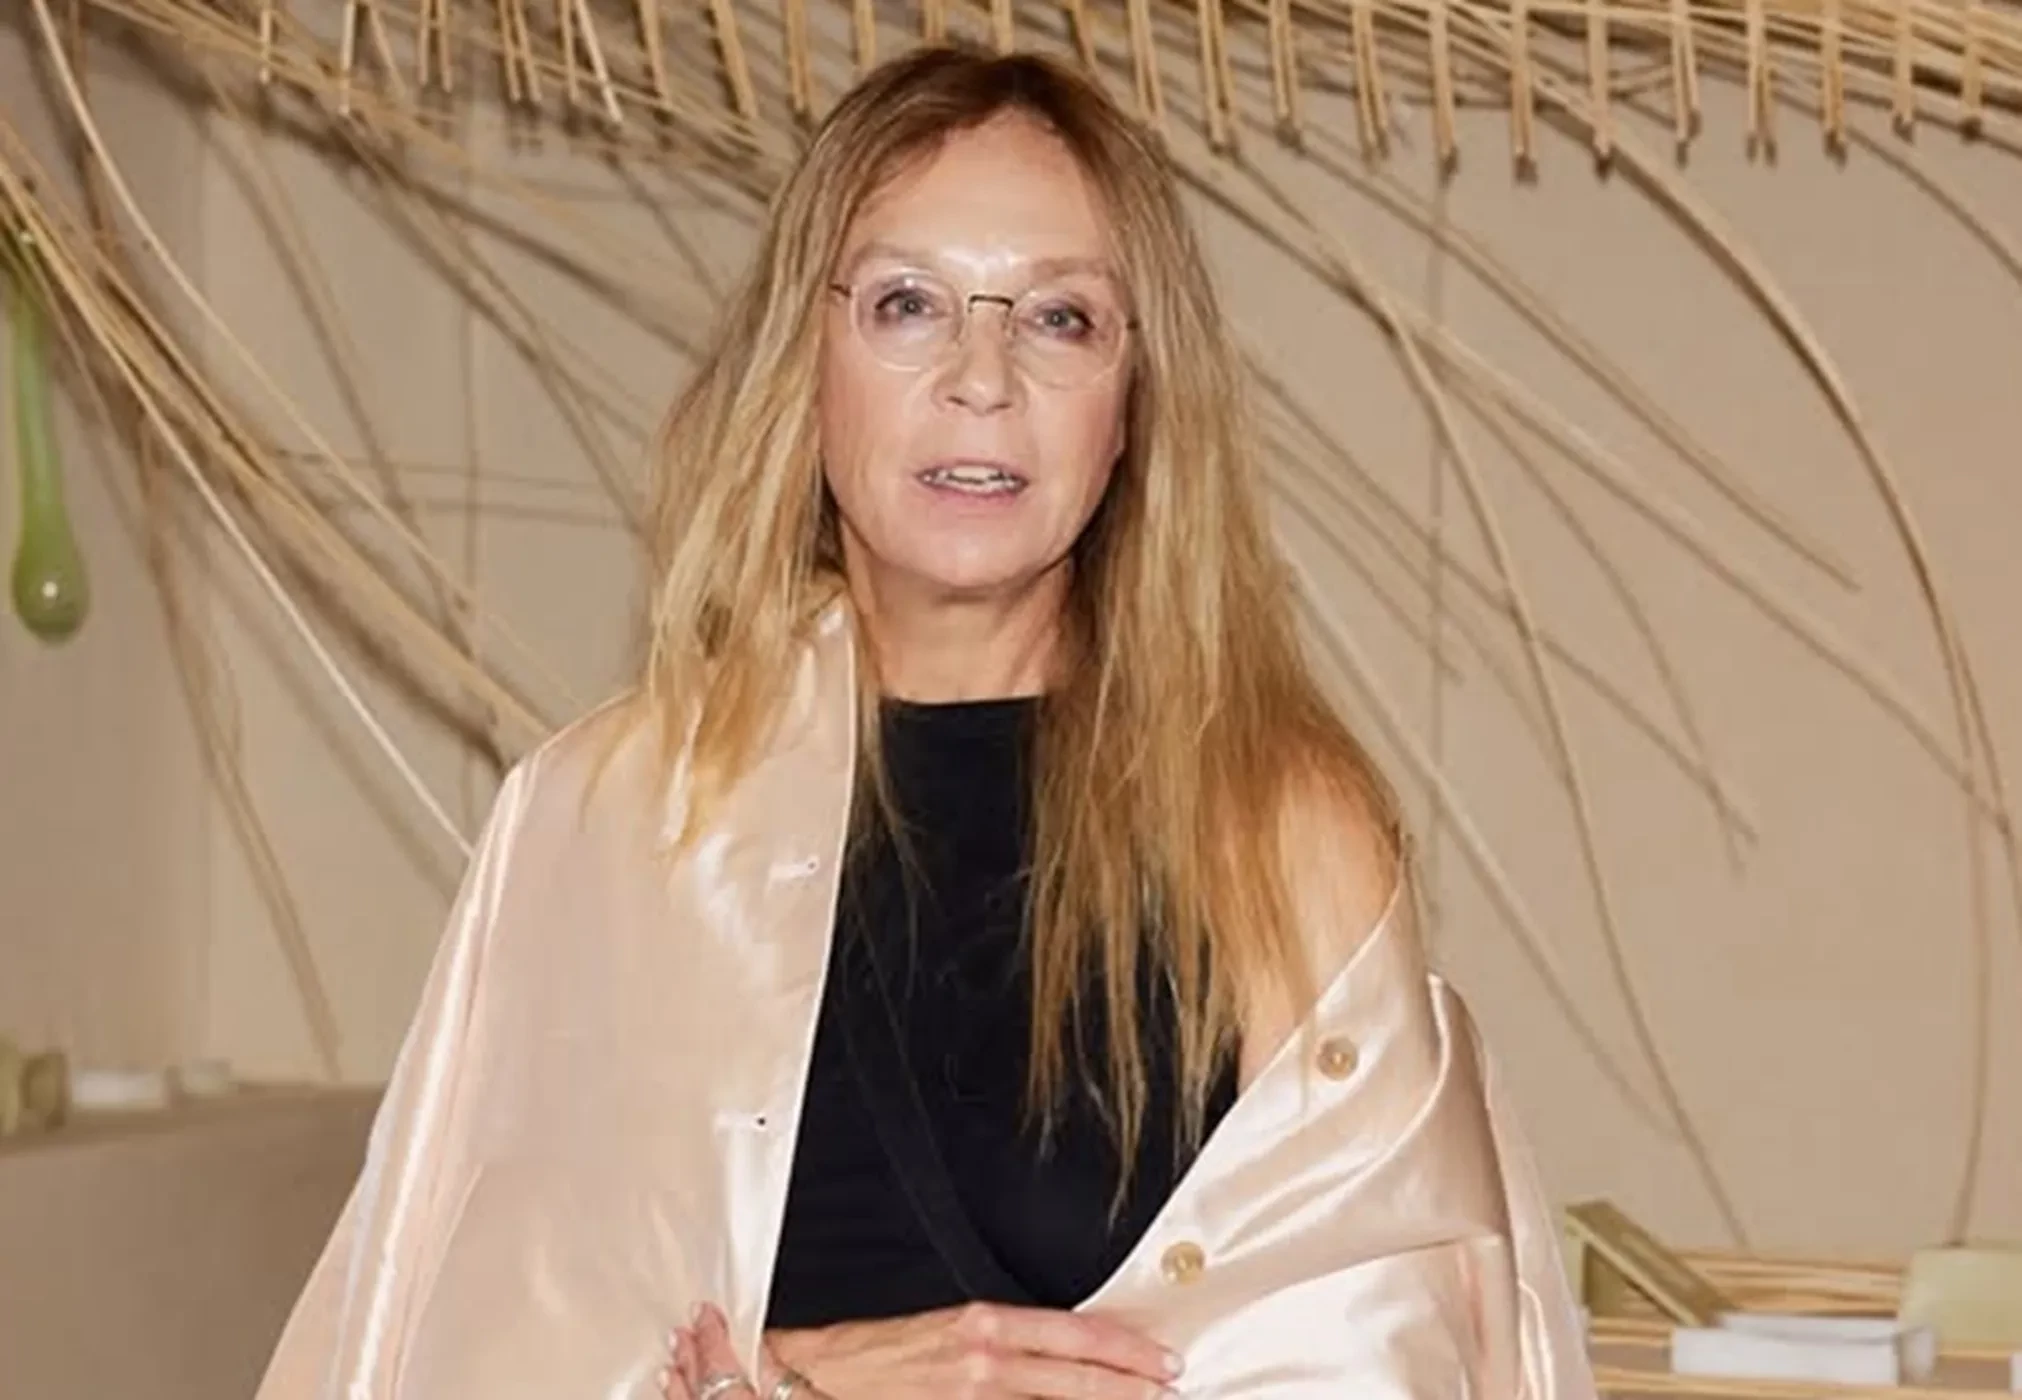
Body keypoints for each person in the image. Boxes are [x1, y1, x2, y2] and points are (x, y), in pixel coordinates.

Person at [254, 43, 1595, 1400]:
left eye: (1058, 318)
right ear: (805, 362)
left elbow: (1377, 1362)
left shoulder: (1271, 822)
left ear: (1135, 401)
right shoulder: (611, 817)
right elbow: (444, 1353)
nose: (980, 377)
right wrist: (794, 1381)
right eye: (908, 304)